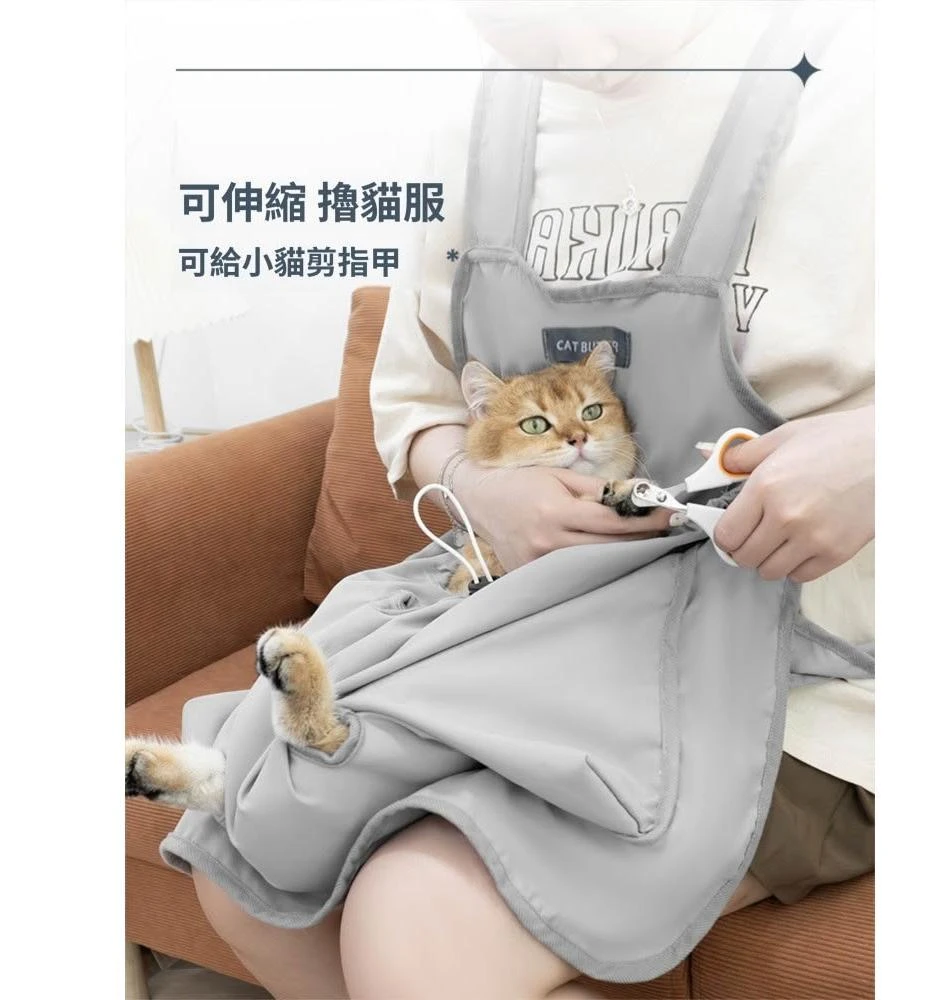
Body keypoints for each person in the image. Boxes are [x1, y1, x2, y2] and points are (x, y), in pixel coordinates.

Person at [193, 3, 874, 997]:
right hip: (523, 632)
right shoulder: (476, 131)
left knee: (419, 920)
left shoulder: (872, 81)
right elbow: (415, 408)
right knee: (246, 856)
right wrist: (476, 485)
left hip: (796, 675)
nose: (578, 55)